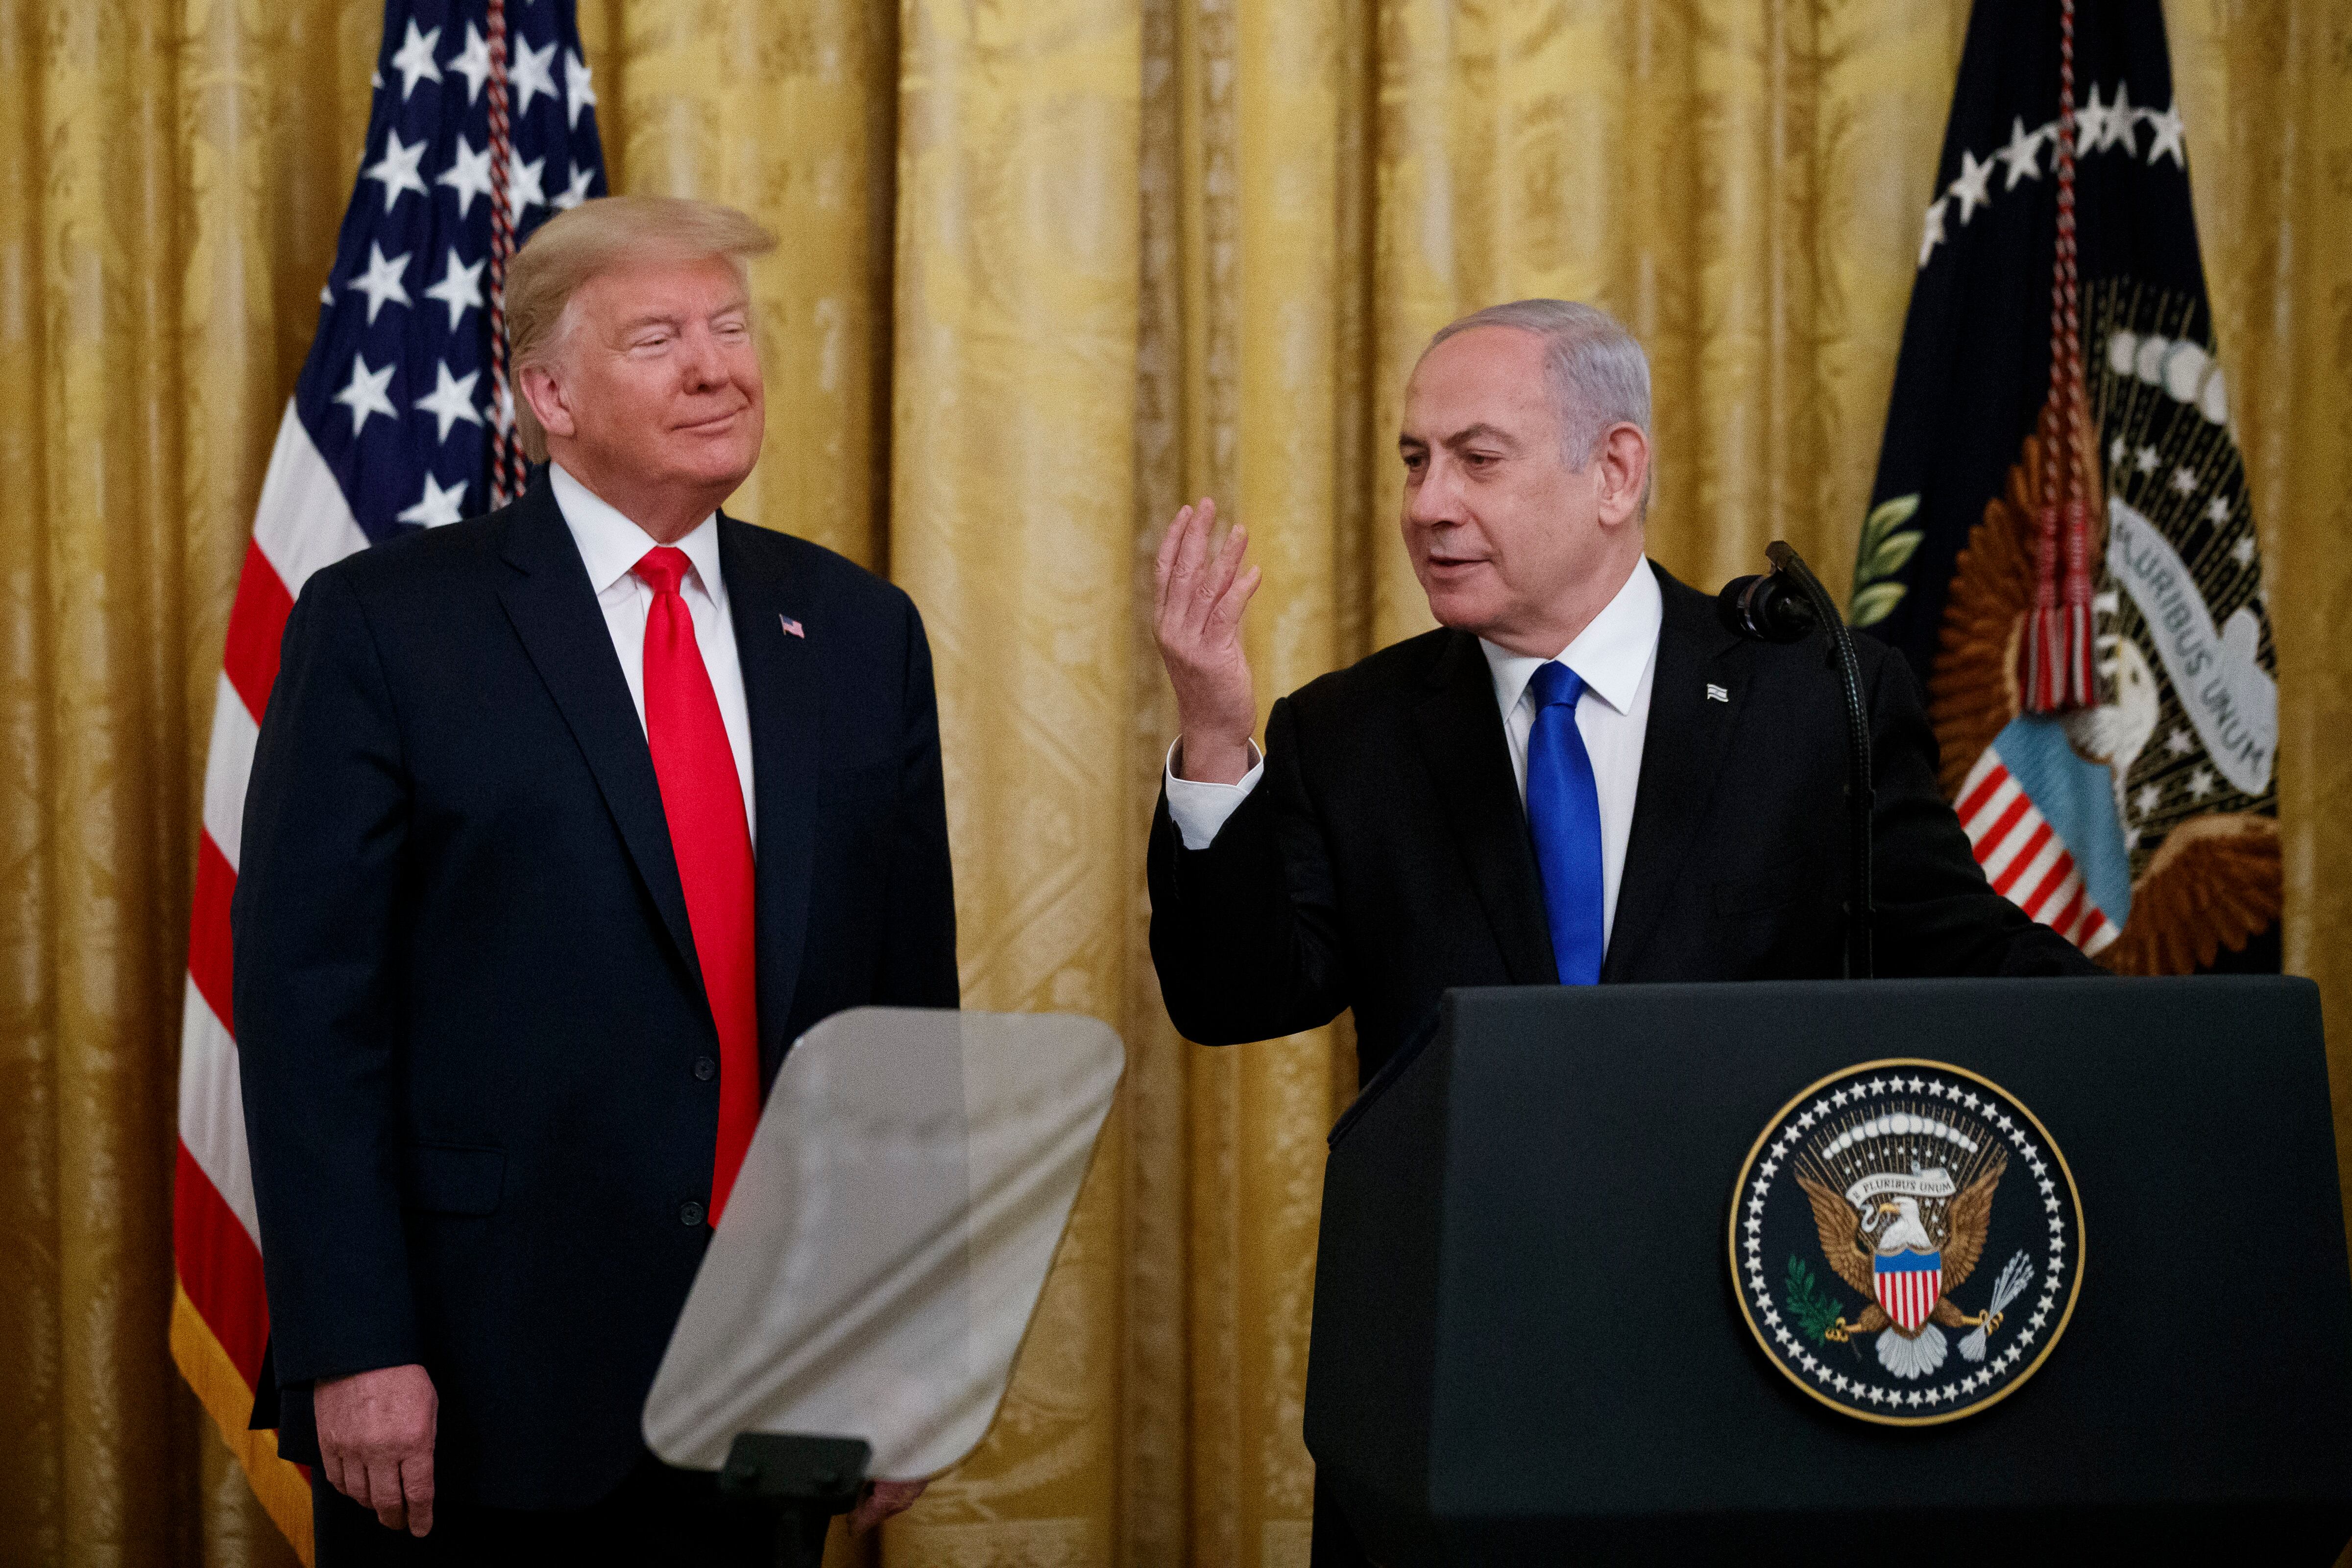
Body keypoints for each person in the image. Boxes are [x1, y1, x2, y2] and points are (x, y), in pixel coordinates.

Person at [234, 196, 953, 1562]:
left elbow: (905, 1019)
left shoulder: (859, 631)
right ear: (549, 395)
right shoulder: (388, 626)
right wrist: (356, 1343)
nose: (715, 366)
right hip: (474, 1387)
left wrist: (899, 1338)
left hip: (774, 1377)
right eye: (660, 337)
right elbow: (307, 1010)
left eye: (732, 329)